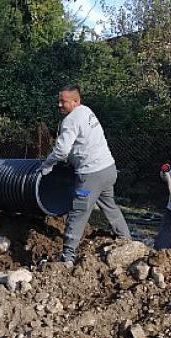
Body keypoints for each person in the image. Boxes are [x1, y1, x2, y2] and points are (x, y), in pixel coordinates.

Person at [40, 84, 131, 264]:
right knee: (110, 207)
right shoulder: (86, 111)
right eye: (59, 100)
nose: (59, 105)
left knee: (78, 212)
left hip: (91, 174)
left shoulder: (71, 120)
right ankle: (128, 242)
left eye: (63, 102)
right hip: (108, 169)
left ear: (76, 101)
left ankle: (67, 258)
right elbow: (82, 143)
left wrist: (47, 165)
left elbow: (61, 151)